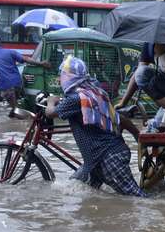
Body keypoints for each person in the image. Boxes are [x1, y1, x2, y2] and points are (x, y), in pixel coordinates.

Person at [45, 56, 146, 197]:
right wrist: (136, 134)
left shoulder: (76, 99)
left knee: (138, 199)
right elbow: (118, 118)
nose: (60, 78)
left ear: (69, 77)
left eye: (62, 75)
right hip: (96, 160)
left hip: (108, 157)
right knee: (73, 189)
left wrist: (51, 101)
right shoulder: (95, 92)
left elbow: (50, 113)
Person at [0, 35, 50, 115]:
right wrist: (41, 63)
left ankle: (20, 122)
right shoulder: (10, 52)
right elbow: (26, 59)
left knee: (15, 109)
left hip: (5, 86)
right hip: (17, 83)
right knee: (16, 107)